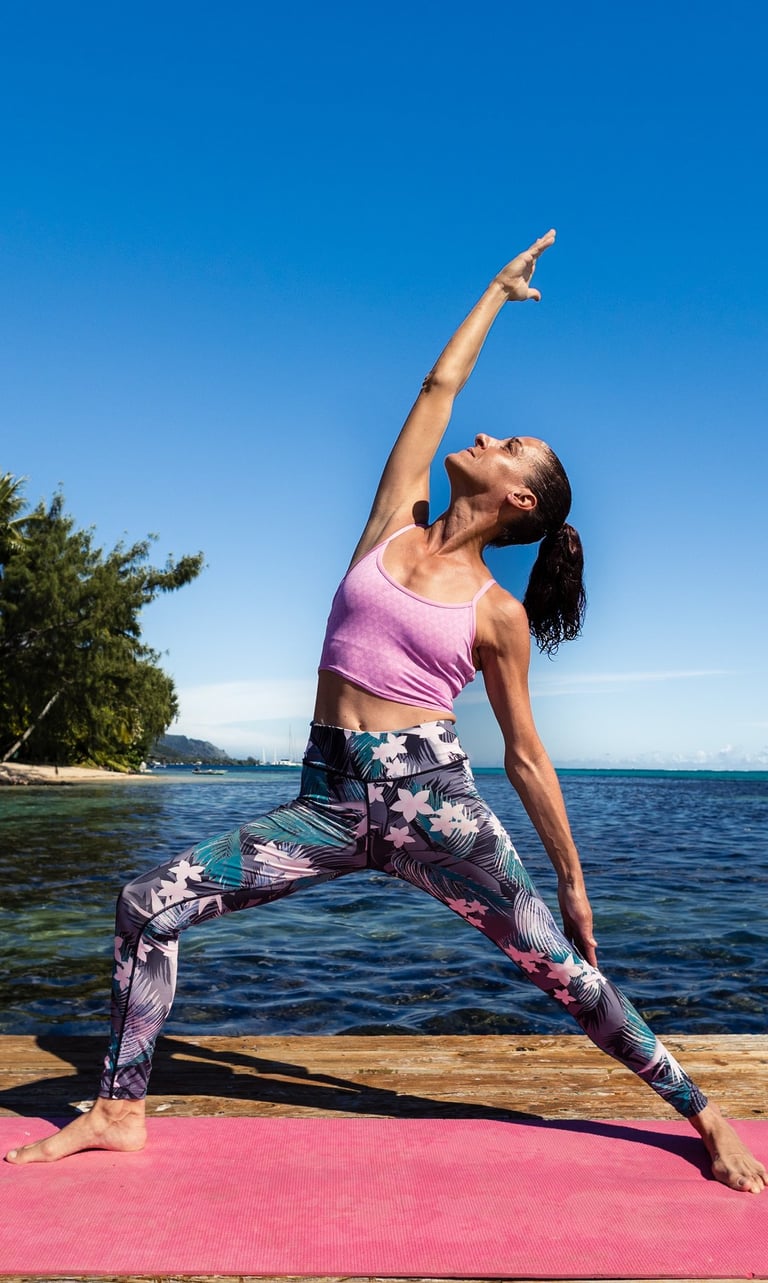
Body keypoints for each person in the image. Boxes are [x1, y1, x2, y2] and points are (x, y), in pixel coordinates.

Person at [6, 232, 765, 1193]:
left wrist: (573, 882)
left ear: (517, 496)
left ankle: (702, 1116)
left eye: (508, 446)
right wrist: (495, 290)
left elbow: (527, 756)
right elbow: (435, 393)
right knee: (145, 907)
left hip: (431, 805)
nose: (484, 437)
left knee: (562, 970)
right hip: (324, 801)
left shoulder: (497, 612)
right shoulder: (390, 524)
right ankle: (118, 1108)